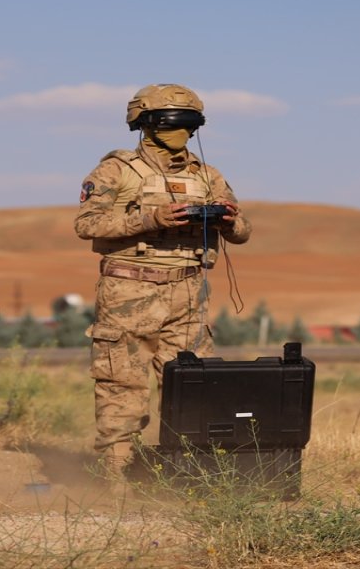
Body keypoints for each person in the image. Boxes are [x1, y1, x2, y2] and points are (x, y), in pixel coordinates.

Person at [74, 83, 253, 479]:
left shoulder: (207, 175)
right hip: (128, 292)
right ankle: (116, 481)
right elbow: (86, 224)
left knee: (195, 391)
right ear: (146, 123)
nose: (182, 132)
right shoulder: (116, 170)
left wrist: (227, 220)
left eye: (190, 124)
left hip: (188, 292)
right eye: (172, 122)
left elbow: (243, 231)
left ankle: (190, 476)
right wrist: (150, 219)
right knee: (123, 389)